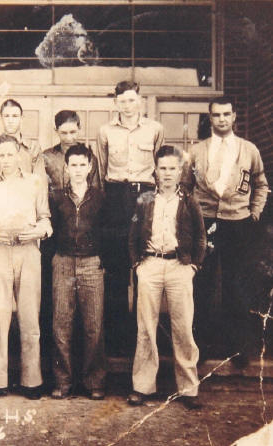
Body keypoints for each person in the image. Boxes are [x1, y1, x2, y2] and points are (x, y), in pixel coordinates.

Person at [183, 96, 269, 367]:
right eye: (216, 115)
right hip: (206, 222)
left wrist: (254, 211)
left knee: (237, 284)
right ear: (210, 118)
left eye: (226, 114)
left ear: (234, 117)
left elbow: (261, 183)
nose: (221, 119)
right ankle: (202, 347)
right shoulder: (197, 151)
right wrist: (191, 218)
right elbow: (185, 187)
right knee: (202, 284)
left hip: (238, 223)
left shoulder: (248, 149)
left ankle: (238, 348)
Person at [128, 145, 206, 410]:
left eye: (173, 168)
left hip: (178, 266)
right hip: (150, 264)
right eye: (163, 168)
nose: (168, 173)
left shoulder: (189, 200)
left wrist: (193, 266)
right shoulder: (145, 199)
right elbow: (133, 235)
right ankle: (142, 386)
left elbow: (201, 236)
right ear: (156, 171)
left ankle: (188, 388)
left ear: (180, 170)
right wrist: (138, 264)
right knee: (145, 328)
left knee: (183, 328)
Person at [0, 134, 52, 400]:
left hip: (28, 252)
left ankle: (32, 381)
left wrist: (38, 233)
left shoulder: (34, 182)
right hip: (1, 252)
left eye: (10, 154)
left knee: (30, 317)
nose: (6, 160)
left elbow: (45, 221)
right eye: (1, 155)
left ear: (19, 155)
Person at [96, 81, 164, 355]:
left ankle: (142, 336)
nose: (127, 105)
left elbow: (160, 169)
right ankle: (116, 336)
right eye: (122, 101)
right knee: (116, 268)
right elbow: (101, 171)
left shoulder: (155, 129)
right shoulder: (105, 131)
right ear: (116, 103)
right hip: (115, 196)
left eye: (132, 100)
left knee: (144, 265)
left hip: (145, 195)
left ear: (140, 102)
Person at [49, 144, 106, 400]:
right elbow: (50, 232)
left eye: (83, 164)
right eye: (74, 165)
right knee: (62, 323)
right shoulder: (57, 197)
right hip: (62, 262)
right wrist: (54, 259)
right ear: (66, 167)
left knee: (93, 324)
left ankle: (94, 381)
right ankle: (63, 381)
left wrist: (102, 261)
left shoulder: (101, 198)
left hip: (91, 263)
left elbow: (108, 233)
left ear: (90, 166)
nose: (78, 170)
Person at [0, 99, 46, 183]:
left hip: (26, 194)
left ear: (21, 118)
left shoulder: (33, 147)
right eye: (7, 116)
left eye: (15, 116)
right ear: (0, 118)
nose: (10, 121)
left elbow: (40, 182)